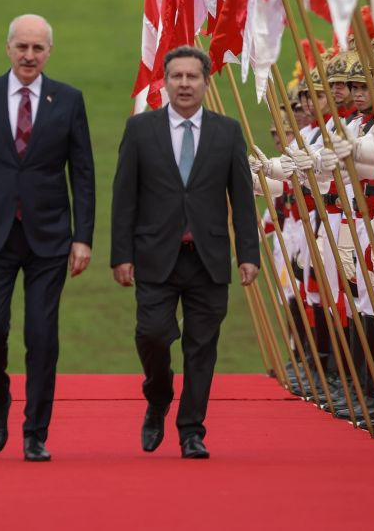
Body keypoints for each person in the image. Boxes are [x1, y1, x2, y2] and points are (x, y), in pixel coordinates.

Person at [0, 13, 95, 462]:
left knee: (42, 336)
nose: (29, 56)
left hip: (50, 238)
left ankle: (35, 432)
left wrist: (82, 236)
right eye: (22, 47)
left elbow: (83, 175)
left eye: (38, 48)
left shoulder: (67, 100)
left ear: (49, 52)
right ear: (8, 48)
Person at [110, 45, 260, 459]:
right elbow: (124, 197)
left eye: (193, 77)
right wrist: (120, 254)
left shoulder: (227, 132)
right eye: (176, 76)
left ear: (206, 83)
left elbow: (242, 198)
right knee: (153, 334)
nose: (184, 84)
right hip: (155, 257)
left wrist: (249, 253)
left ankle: (192, 429)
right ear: (165, 81)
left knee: (202, 347)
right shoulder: (141, 130)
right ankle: (158, 396)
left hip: (208, 259)